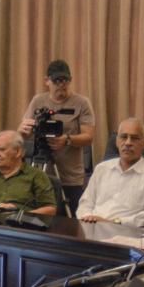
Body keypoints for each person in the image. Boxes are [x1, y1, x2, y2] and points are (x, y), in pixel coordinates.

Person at [18, 60, 95, 214]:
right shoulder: (38, 101)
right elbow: (25, 134)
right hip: (41, 168)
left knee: (71, 216)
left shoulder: (81, 103)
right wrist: (22, 130)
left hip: (70, 175)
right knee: (35, 212)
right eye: (57, 80)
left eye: (65, 80)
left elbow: (89, 137)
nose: (62, 85)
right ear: (47, 81)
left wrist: (67, 140)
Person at [76, 118, 144, 226]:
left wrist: (115, 222)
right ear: (117, 141)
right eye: (124, 137)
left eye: (134, 138)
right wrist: (88, 218)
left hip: (128, 234)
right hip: (92, 228)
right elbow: (85, 203)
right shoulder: (101, 168)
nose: (128, 143)